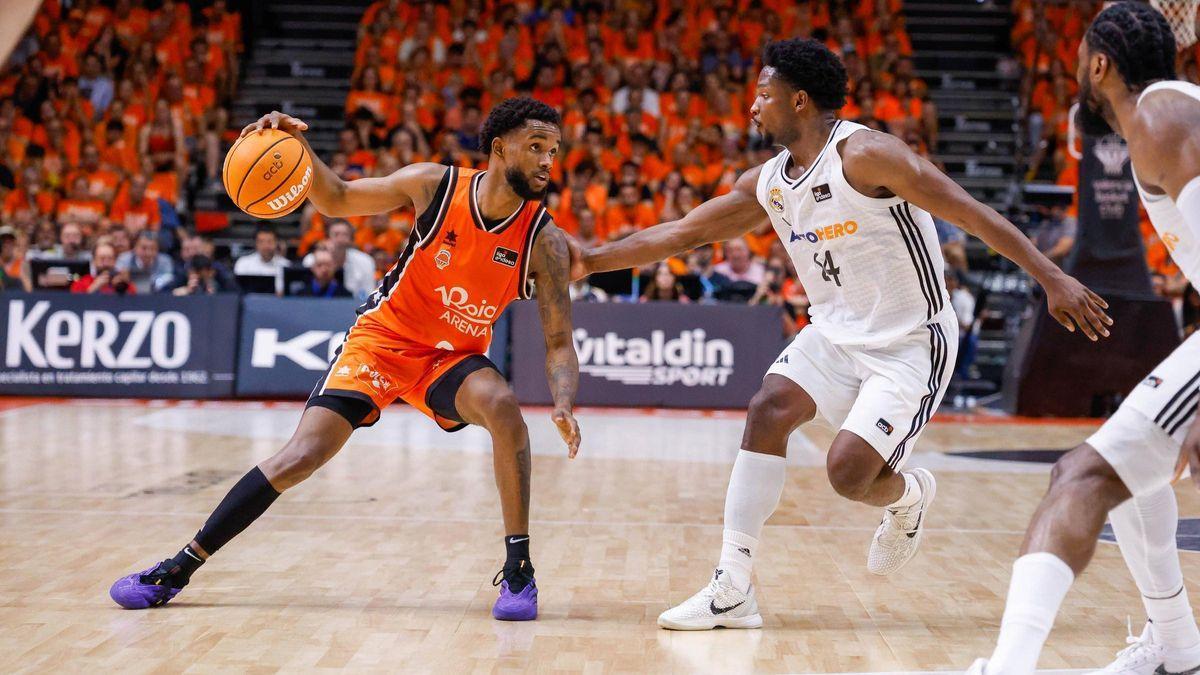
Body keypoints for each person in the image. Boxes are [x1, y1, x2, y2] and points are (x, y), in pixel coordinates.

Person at [570, 37, 1110, 631]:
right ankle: (732, 585)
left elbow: (968, 211)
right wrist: (591, 261)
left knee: (848, 475)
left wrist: (1053, 277)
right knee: (767, 409)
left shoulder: (868, 155)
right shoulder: (769, 182)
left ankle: (908, 498)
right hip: (833, 334)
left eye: (763, 94)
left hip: (910, 343)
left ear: (799, 102)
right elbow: (682, 234)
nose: (752, 106)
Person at [109, 97, 581, 623]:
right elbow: (336, 198)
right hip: (382, 339)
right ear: (499, 148)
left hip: (449, 359)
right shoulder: (435, 185)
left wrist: (562, 401)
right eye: (536, 147)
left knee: (503, 406)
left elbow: (559, 341)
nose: (547, 161)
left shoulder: (545, 240)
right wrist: (294, 145)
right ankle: (179, 566)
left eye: (554, 151)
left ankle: (519, 570)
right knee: (301, 457)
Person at [973, 5, 1200, 673]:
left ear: (1098, 65)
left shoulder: (1162, 119)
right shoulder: (1161, 118)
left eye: (1078, 57)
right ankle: (1177, 644)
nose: (1073, 69)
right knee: (1123, 467)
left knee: (1081, 474)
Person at [301, 219, 375, 298]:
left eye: (345, 235)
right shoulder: (312, 260)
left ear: (351, 239)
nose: (340, 239)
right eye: (336, 234)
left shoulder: (365, 261)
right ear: (327, 238)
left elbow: (368, 294)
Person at [234, 223, 289, 294]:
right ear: (256, 243)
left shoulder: (286, 265)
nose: (266, 246)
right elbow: (238, 290)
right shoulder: (243, 263)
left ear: (276, 243)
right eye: (261, 242)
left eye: (270, 241)